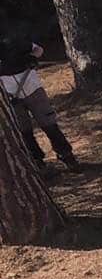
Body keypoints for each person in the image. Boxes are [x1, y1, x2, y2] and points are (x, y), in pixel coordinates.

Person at [0, 15, 80, 172]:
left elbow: (38, 49)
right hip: (10, 97)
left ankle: (67, 156)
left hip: (33, 89)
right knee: (24, 131)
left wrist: (31, 58)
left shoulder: (13, 39)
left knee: (49, 124)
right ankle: (38, 162)